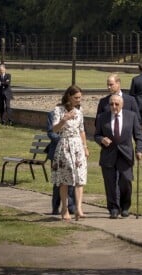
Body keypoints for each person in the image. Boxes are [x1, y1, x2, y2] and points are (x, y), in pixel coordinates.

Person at [94, 94, 142, 219]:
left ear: (122, 104)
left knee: (126, 180)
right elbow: (96, 135)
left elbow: (139, 135)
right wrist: (101, 139)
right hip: (108, 154)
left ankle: (125, 207)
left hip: (125, 154)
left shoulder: (131, 116)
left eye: (116, 104)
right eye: (111, 104)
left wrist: (139, 150)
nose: (114, 106)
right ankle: (114, 208)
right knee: (110, 183)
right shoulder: (102, 117)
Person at [51, 85, 89, 221]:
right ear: (69, 97)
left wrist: (85, 147)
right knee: (65, 179)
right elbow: (54, 130)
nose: (79, 100)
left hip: (77, 145)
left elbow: (82, 130)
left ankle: (79, 208)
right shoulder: (58, 110)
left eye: (80, 98)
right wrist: (64, 119)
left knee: (80, 176)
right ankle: (64, 208)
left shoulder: (79, 111)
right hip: (65, 145)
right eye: (76, 98)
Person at [47, 110, 76, 215]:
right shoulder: (53, 114)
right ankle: (55, 207)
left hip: (72, 152)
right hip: (57, 152)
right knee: (58, 181)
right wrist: (64, 140)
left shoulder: (76, 114)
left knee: (72, 179)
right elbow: (51, 132)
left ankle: (71, 206)